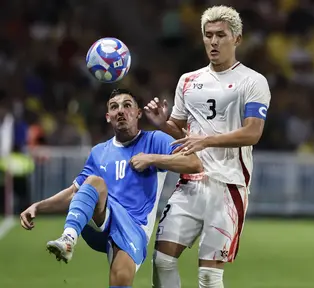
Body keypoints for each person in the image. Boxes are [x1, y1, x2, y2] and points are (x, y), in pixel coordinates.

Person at [19, 88, 203, 288]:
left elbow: (194, 163)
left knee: (121, 279)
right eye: (114, 107)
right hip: (103, 219)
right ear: (108, 117)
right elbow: (75, 192)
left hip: (134, 227)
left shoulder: (155, 140)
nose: (121, 111)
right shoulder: (99, 152)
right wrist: (38, 206)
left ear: (138, 113)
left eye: (127, 105)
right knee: (93, 182)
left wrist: (152, 159)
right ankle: (68, 238)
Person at [145, 5, 271, 288]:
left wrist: (206, 140)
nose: (213, 41)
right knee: (162, 260)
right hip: (190, 183)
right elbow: (181, 131)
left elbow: (253, 132)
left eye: (220, 35)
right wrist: (163, 123)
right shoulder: (188, 81)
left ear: (236, 39)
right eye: (208, 35)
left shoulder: (253, 82)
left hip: (228, 187)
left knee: (209, 276)